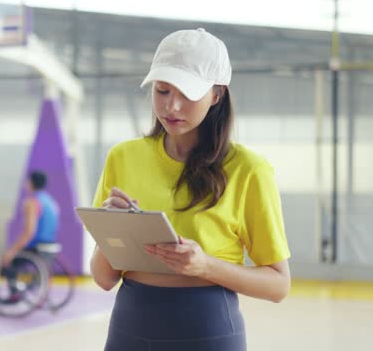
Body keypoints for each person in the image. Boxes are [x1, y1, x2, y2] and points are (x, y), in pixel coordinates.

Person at [90, 28, 291, 350]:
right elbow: (103, 279)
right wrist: (115, 227)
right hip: (129, 326)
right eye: (163, 91)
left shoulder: (248, 170)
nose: (173, 106)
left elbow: (279, 285)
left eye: (188, 94)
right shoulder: (123, 157)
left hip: (207, 327)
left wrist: (206, 266)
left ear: (217, 94)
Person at [0, 170, 60, 303]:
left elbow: (29, 232)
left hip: (36, 247)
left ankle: (15, 294)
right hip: (50, 246)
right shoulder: (51, 202)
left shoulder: (32, 202)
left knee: (8, 260)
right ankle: (35, 290)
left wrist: (11, 251)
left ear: (30, 183)